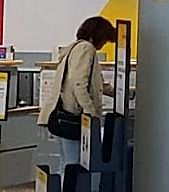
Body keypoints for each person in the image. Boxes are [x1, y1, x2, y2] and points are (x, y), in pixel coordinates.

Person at [37, 17, 119, 174]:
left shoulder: (73, 48)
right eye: (104, 41)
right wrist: (91, 112)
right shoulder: (86, 49)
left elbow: (98, 85)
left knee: (66, 163)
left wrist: (127, 93)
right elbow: (78, 84)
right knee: (73, 166)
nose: (102, 46)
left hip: (61, 117)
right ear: (97, 36)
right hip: (72, 118)